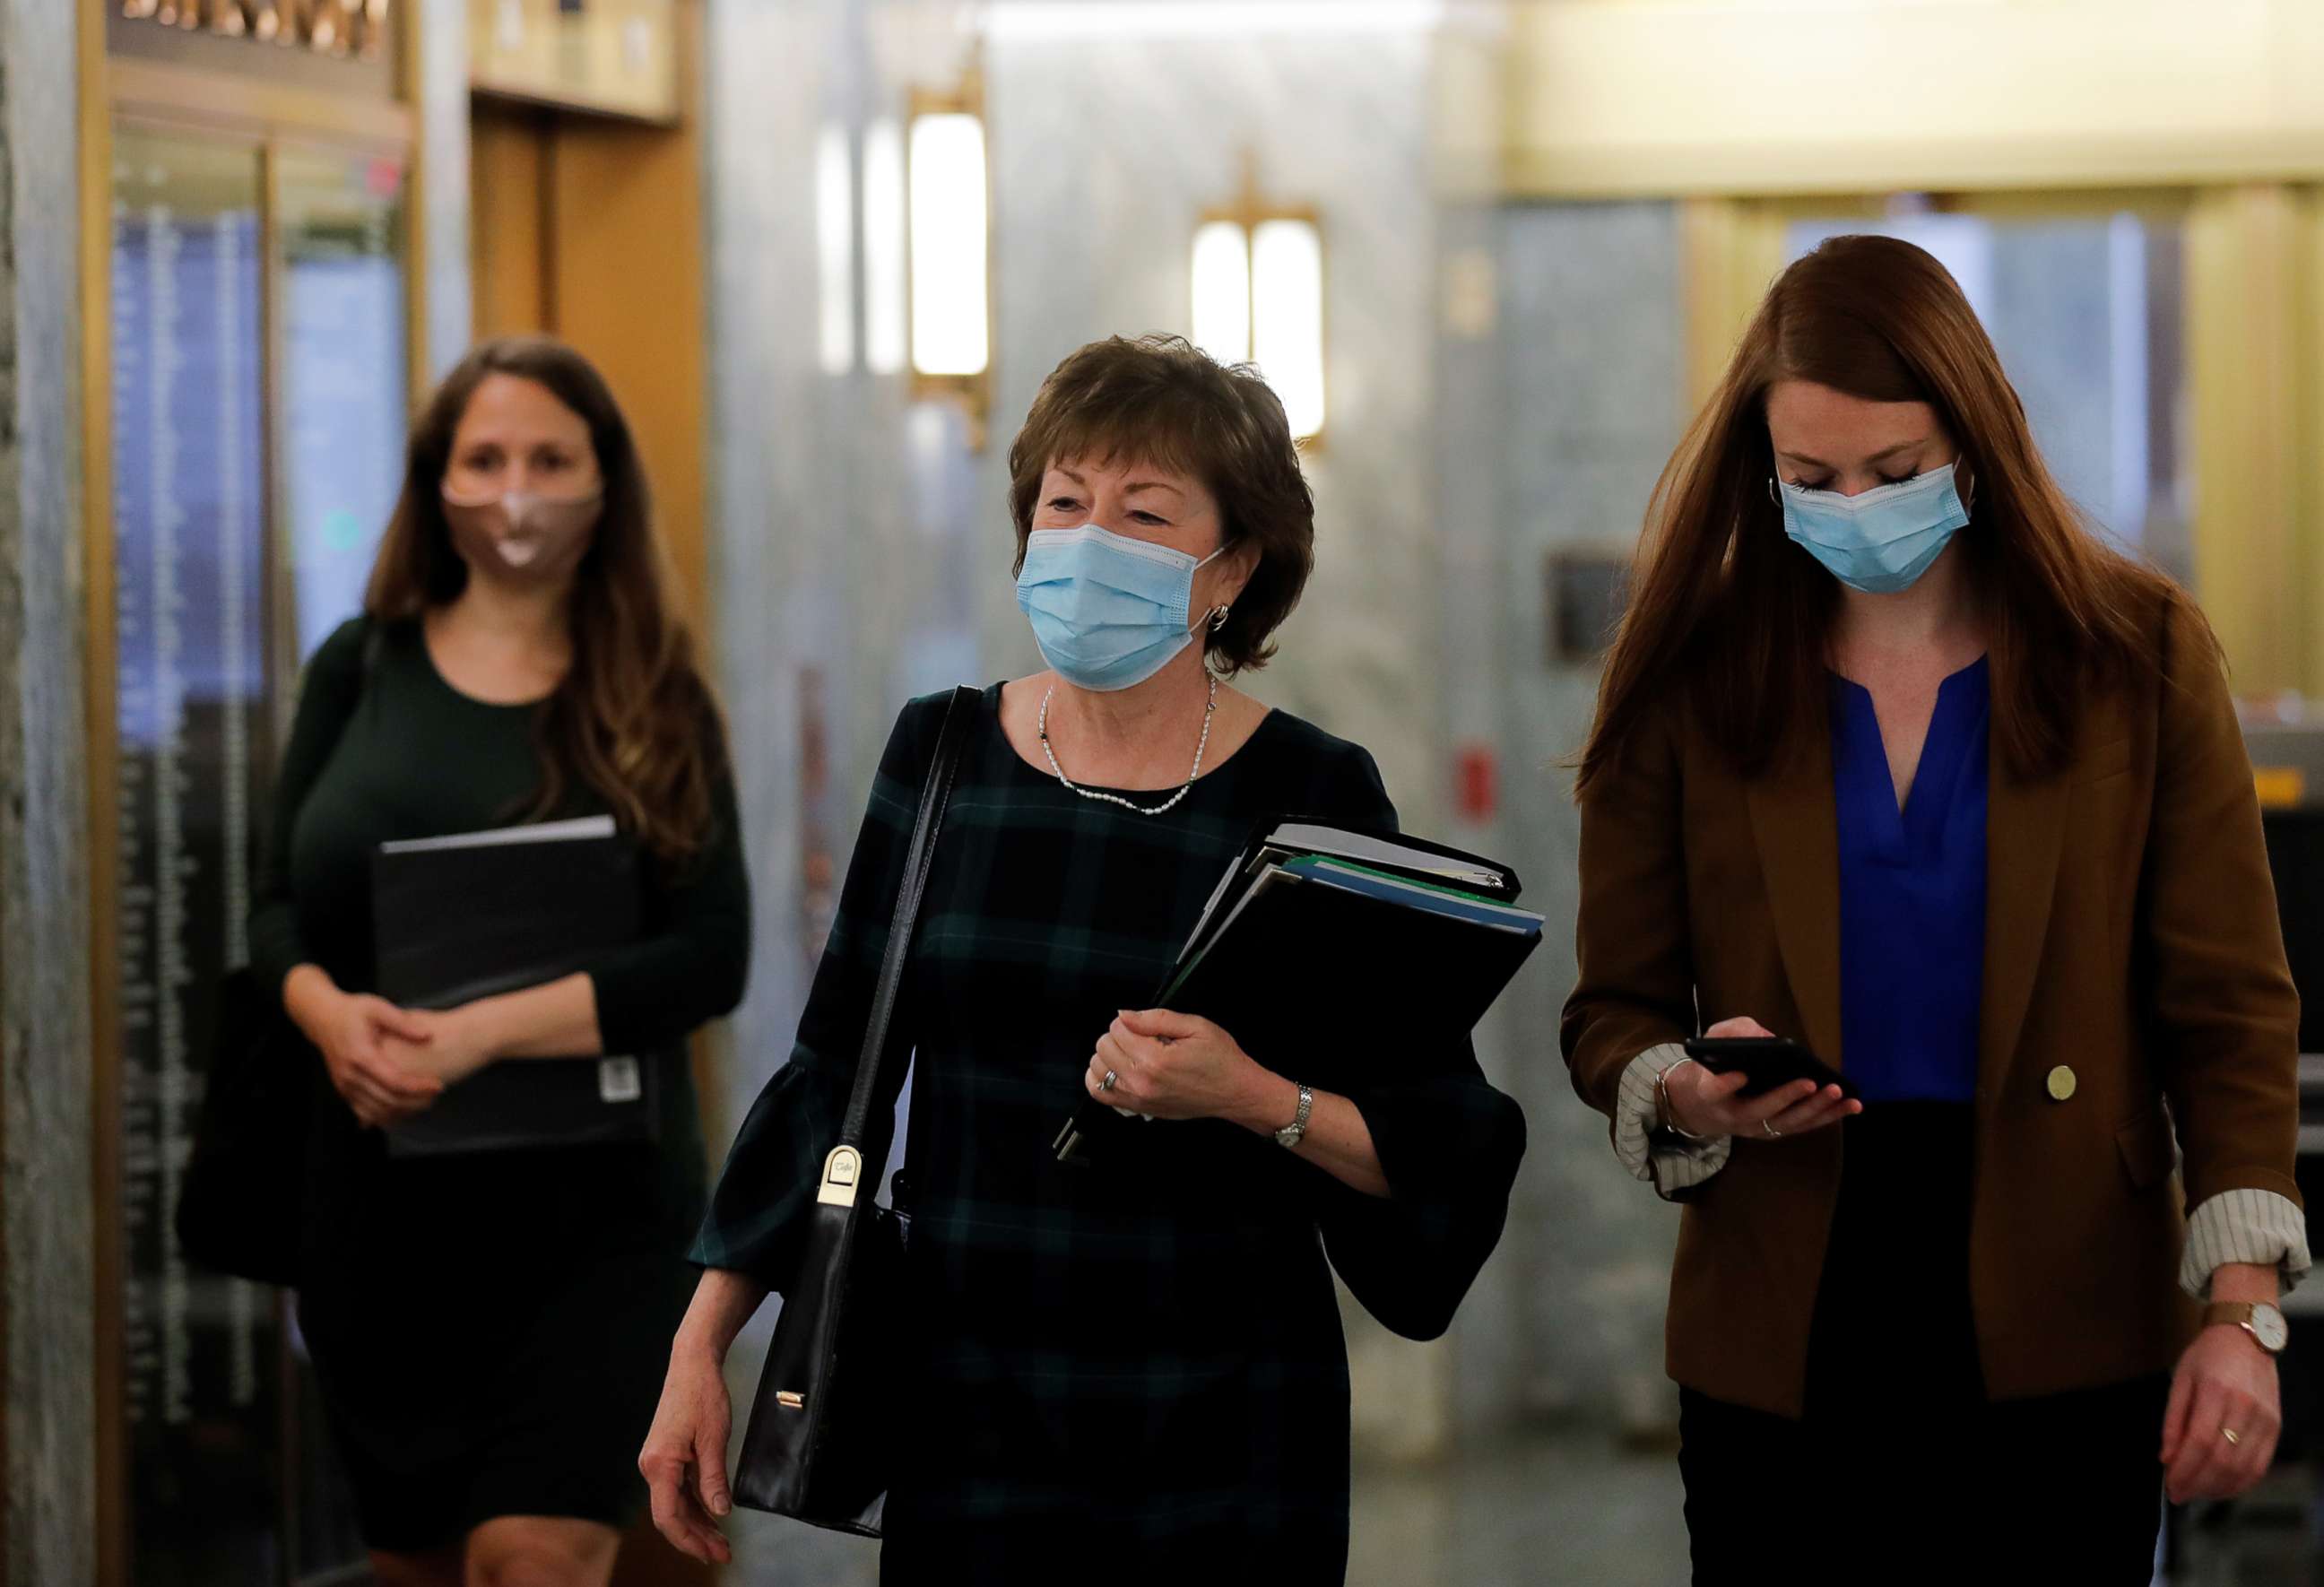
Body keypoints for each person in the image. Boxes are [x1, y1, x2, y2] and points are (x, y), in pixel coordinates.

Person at [639, 334, 1525, 1583]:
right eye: (1065, 501)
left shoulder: (1314, 793)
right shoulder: (940, 753)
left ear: (1236, 569)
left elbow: (1434, 1132)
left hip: (1229, 1407)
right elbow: (830, 1066)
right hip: (969, 1397)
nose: (1088, 537)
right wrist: (699, 1348)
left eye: (1143, 511)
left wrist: (1249, 1096)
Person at [1561, 235, 2307, 1583]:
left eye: (1895, 473)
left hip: (2067, 1295)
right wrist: (1685, 1091)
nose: (1856, 504)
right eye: (1812, 478)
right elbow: (1611, 1010)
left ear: (1976, 437)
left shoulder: (2133, 654)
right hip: (1788, 1308)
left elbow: (2229, 1005)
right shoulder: (1695, 675)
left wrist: (2241, 1310)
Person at [249, 335, 750, 1587]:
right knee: (414, 1567)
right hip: (379, 1221)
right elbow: (270, 911)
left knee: (531, 1559)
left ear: (604, 483)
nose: (515, 490)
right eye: (483, 458)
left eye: (548, 458)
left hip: (596, 1227)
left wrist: (478, 1033)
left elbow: (710, 957)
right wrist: (329, 1018)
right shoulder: (357, 668)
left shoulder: (657, 696)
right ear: (436, 481)